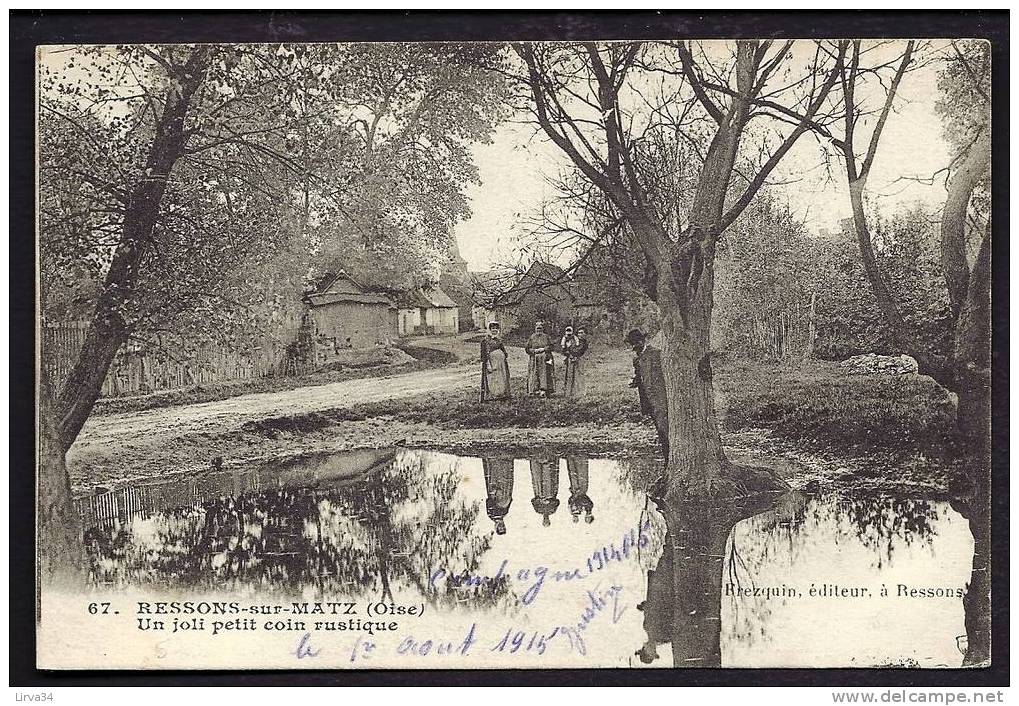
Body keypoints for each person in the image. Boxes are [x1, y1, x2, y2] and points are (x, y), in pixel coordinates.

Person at [625, 329, 669, 461]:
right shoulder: (636, 359)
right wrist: (635, 382)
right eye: (631, 345)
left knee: (665, 428)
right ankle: (667, 459)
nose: (633, 348)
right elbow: (640, 377)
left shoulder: (657, 354)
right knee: (660, 430)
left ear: (642, 341)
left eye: (635, 344)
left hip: (661, 398)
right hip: (648, 400)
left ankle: (669, 459)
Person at [482, 457, 514, 535]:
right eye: (503, 527)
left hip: (497, 491)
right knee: (505, 476)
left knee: (496, 475)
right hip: (506, 490)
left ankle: (496, 461)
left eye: (500, 528)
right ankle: (505, 462)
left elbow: (489, 501)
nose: (501, 526)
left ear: (496, 527)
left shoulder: (492, 514)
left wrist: (494, 492)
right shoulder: (505, 513)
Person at [480, 321, 511, 402]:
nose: (494, 330)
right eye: (493, 328)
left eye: (496, 329)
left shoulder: (498, 340)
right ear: (489, 330)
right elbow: (484, 355)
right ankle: (493, 395)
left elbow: (503, 350)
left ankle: (502, 393)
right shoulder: (485, 341)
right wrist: (488, 364)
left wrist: (503, 355)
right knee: (492, 377)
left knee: (501, 377)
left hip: (501, 364)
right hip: (491, 363)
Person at [525, 321, 555, 397]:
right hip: (534, 358)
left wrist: (544, 349)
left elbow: (551, 346)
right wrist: (534, 351)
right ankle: (534, 390)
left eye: (540, 328)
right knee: (534, 373)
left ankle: (544, 390)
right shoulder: (532, 337)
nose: (538, 330)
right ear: (535, 328)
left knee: (545, 373)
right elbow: (527, 348)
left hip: (545, 358)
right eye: (537, 328)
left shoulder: (546, 337)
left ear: (543, 328)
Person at [529, 457, 560, 526]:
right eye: (547, 521)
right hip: (550, 492)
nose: (546, 520)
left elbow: (532, 501)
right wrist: (549, 501)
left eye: (545, 522)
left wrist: (540, 500)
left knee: (537, 475)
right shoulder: (552, 510)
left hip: (539, 492)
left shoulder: (538, 510)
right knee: (549, 476)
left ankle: (535, 460)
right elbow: (557, 501)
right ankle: (548, 459)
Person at [561, 326, 589, 398]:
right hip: (571, 359)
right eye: (579, 333)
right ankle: (569, 392)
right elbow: (564, 350)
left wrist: (570, 349)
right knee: (570, 375)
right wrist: (568, 353)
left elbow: (579, 351)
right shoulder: (574, 340)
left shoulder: (584, 343)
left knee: (579, 375)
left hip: (579, 360)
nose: (580, 334)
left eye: (582, 333)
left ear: (585, 334)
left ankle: (580, 392)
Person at [566, 456, 594, 524]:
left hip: (575, 490)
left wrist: (574, 497)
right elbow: (585, 499)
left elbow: (570, 501)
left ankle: (570, 457)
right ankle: (580, 456)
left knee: (572, 472)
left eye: (586, 518)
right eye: (588, 518)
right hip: (582, 489)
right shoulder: (589, 507)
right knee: (581, 472)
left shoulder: (576, 510)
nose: (587, 516)